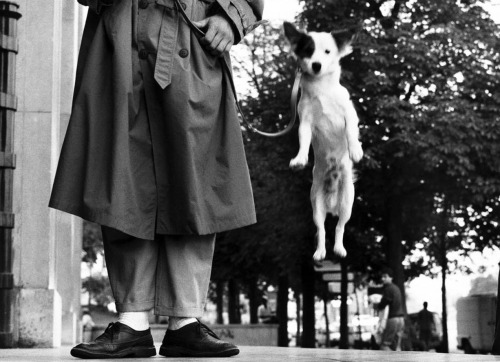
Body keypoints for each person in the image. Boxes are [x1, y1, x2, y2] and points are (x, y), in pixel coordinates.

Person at [49, 0, 264, 358]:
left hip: (193, 36)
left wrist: (233, 15)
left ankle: (186, 321)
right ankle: (132, 320)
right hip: (119, 38)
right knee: (121, 177)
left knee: (195, 180)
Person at [377, 267, 405, 351]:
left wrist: (378, 306)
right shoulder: (396, 288)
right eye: (382, 277)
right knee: (396, 346)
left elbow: (383, 304)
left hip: (393, 319)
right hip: (401, 319)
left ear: (391, 277)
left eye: (385, 277)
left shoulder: (388, 289)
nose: (383, 279)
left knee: (384, 345)